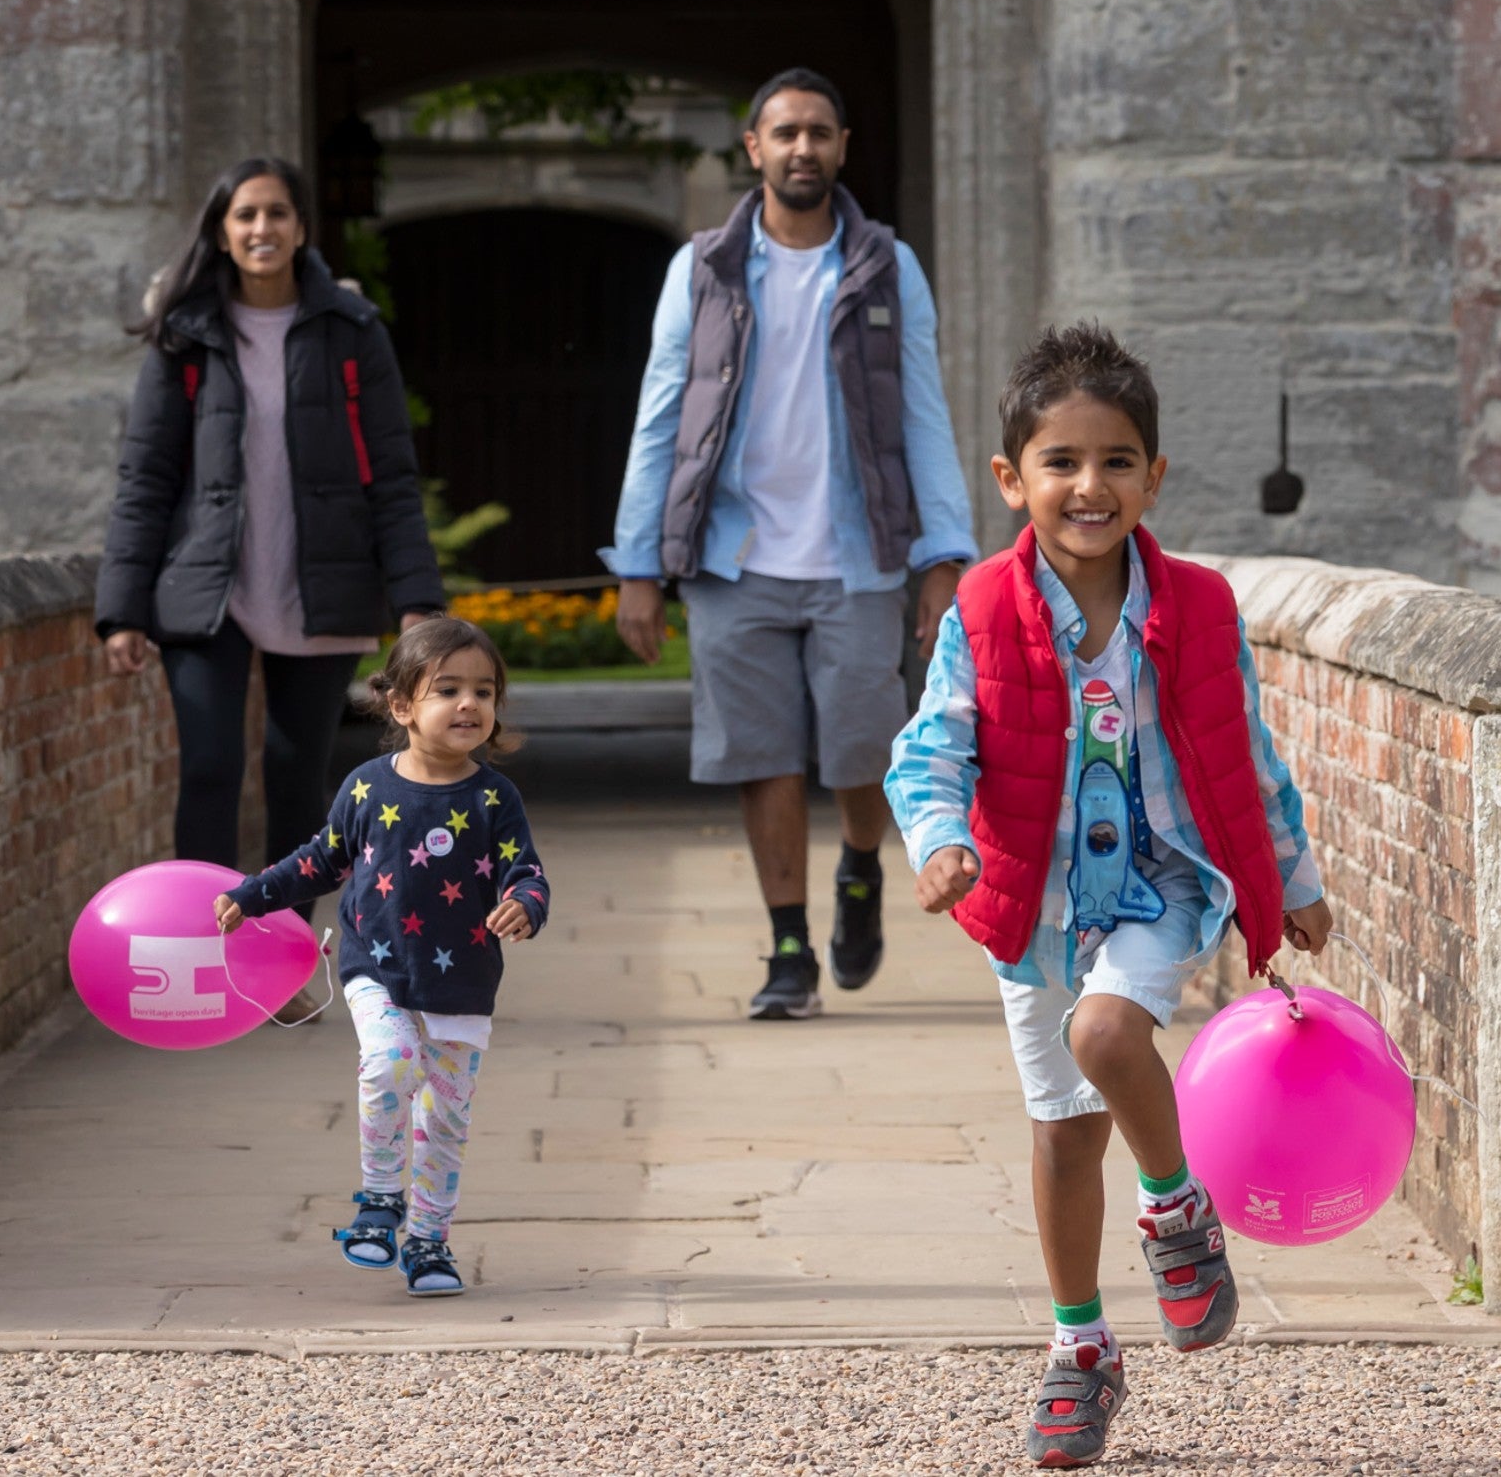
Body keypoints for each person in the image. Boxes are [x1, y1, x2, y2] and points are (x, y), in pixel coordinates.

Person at [886, 324, 1334, 1469]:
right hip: (1034, 907)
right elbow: (927, 756)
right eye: (1062, 463)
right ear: (1011, 478)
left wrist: (1290, 879)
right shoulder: (981, 613)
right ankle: (1081, 1349)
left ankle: (1178, 1211)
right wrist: (938, 843)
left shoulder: (1197, 606)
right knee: (1063, 1134)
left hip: (1160, 883)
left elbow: (1251, 753)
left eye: (1117, 461)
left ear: (1155, 474)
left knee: (1107, 1032)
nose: (1091, 487)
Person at [605, 66, 977, 1022]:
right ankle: (787, 953)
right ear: (754, 149)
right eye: (785, 133)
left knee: (863, 752)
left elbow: (924, 415)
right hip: (734, 558)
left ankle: (860, 863)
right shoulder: (704, 269)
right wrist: (638, 564)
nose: (802, 147)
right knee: (761, 755)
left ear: (842, 148)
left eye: (820, 131)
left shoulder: (888, 265)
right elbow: (658, 418)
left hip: (857, 556)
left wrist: (944, 557)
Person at [96, 156, 445, 883]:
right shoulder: (184, 336)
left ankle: (281, 966)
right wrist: (121, 610)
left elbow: (390, 475)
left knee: (296, 777)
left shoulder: (352, 332)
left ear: (301, 228)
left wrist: (417, 602)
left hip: (323, 585)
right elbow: (146, 477)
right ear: (222, 234)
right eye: (245, 215)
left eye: (277, 213)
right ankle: (207, 956)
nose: (262, 228)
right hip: (207, 592)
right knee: (211, 770)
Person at [216, 617, 548, 1298]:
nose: (469, 705)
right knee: (390, 1061)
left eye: (484, 691)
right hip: (378, 967)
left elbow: (527, 872)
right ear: (400, 705)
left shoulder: (493, 798)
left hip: (464, 982)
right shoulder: (367, 788)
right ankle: (379, 1199)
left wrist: (527, 904)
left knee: (445, 1121)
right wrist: (252, 896)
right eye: (447, 688)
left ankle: (429, 1243)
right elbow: (321, 861)